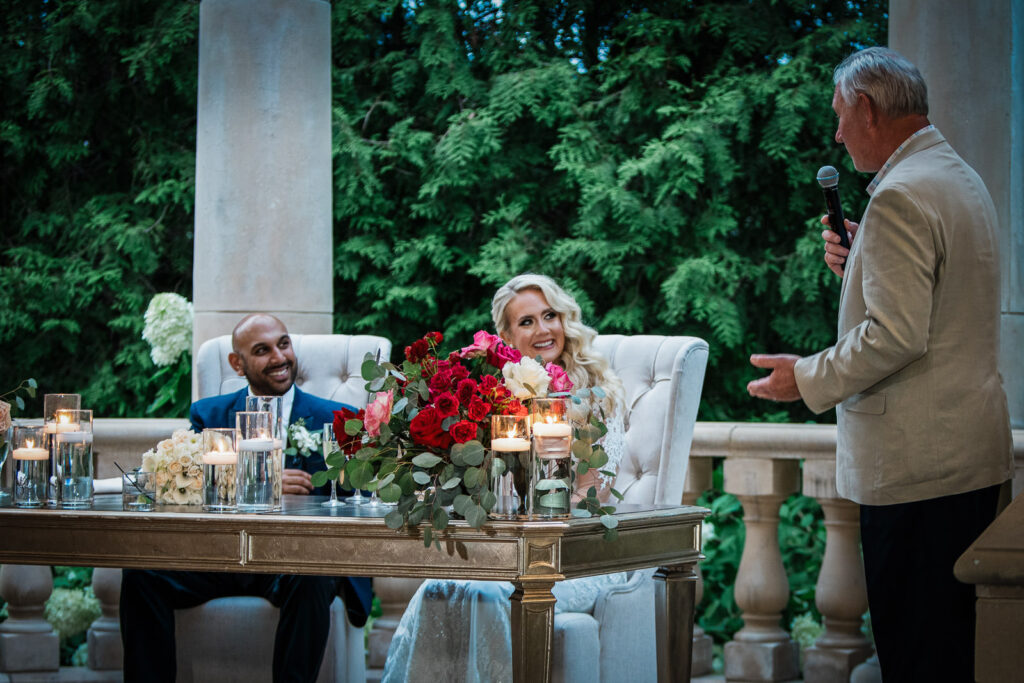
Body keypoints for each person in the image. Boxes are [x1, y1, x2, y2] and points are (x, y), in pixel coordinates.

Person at [746, 47, 1012, 681]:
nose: (838, 134)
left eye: (840, 115)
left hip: (917, 471)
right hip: (967, 458)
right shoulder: (959, 177)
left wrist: (804, 377)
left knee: (919, 657)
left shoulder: (900, 196)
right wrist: (864, 260)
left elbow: (894, 335)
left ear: (866, 108)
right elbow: (938, 306)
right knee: (955, 652)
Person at [381, 273, 627, 683]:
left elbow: (590, 499)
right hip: (508, 550)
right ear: (507, 337)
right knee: (437, 587)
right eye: (527, 321)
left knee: (487, 591)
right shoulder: (495, 398)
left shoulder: (595, 395)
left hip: (580, 554)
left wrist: (527, 539)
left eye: (550, 315)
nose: (543, 329)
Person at [120, 314, 373, 683]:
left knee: (315, 577)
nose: (279, 357)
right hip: (221, 556)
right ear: (237, 364)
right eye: (262, 350)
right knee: (141, 573)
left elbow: (356, 498)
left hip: (295, 560)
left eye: (283, 344)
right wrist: (259, 480)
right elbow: (189, 488)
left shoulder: (336, 418)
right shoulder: (209, 414)